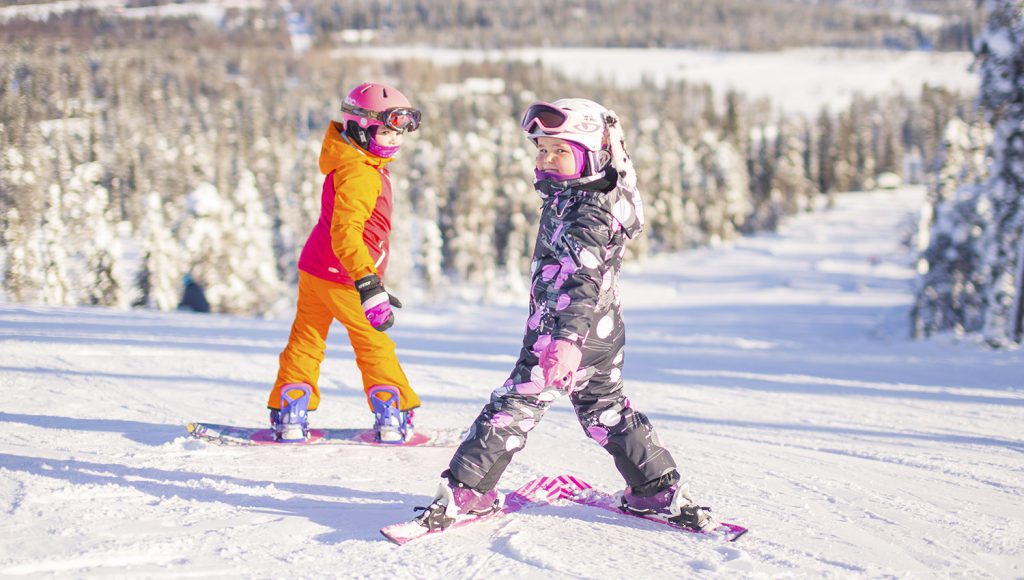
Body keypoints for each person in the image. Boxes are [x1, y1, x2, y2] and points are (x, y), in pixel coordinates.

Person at [412, 98, 713, 532]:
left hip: (564, 333)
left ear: (593, 153)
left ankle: (468, 492)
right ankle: (655, 490)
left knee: (514, 405)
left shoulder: (586, 211)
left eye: (561, 150)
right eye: (542, 150)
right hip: (601, 331)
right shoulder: (579, 196)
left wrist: (566, 342)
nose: (548, 159)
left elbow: (581, 279)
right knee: (605, 408)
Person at [267, 82, 422, 444]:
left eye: (397, 132)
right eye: (385, 131)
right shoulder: (361, 173)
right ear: (357, 127)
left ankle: (292, 410)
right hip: (345, 275)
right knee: (373, 343)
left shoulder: (353, 161)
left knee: (306, 339)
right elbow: (346, 233)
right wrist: (368, 283)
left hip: (315, 268)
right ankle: (392, 413)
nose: (394, 140)